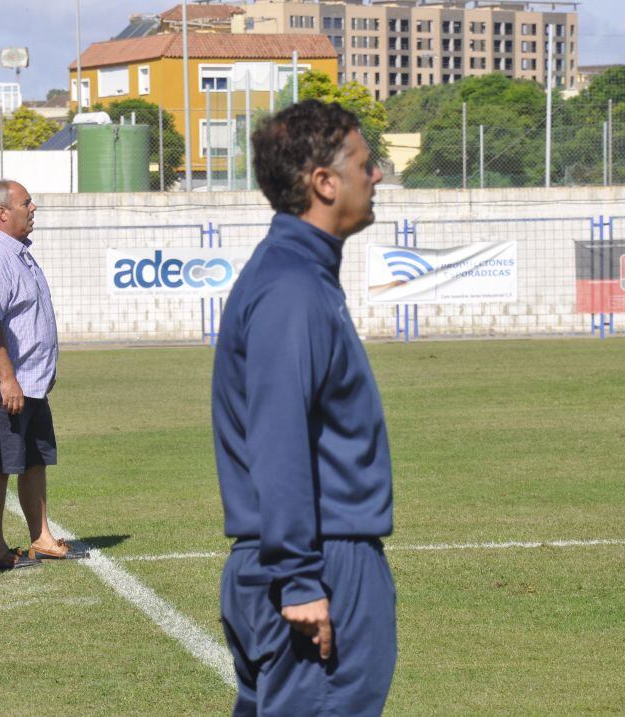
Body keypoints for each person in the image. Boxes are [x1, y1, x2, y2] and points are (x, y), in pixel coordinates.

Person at [211, 100, 397, 716]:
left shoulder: (301, 275)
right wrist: (300, 578)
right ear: (324, 182)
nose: (377, 177)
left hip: (308, 558)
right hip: (319, 563)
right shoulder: (291, 288)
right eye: (366, 164)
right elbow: (278, 438)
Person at [0, 179, 87, 570]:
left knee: (34, 460)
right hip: (2, 385)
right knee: (0, 465)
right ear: (3, 213)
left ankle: (41, 538)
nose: (33, 209)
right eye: (26, 203)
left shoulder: (17, 253)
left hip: (29, 383)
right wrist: (8, 378)